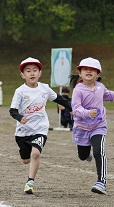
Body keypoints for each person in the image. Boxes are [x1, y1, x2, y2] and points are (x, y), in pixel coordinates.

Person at [9, 57, 72, 194]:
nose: (32, 73)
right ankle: (28, 165)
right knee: (26, 160)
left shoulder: (45, 89)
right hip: (22, 131)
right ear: (22, 75)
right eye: (28, 71)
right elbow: (12, 110)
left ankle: (30, 182)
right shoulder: (20, 91)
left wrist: (72, 109)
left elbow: (60, 99)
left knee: (36, 153)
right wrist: (20, 118)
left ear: (40, 73)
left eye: (35, 70)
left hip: (40, 128)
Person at [71, 57, 114, 194]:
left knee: (99, 151)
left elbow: (108, 95)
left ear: (98, 74)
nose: (89, 71)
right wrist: (86, 113)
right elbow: (76, 108)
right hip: (82, 127)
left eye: (93, 70)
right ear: (80, 73)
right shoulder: (78, 90)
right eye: (85, 69)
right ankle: (86, 155)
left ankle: (101, 182)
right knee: (82, 155)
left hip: (99, 126)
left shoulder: (100, 87)